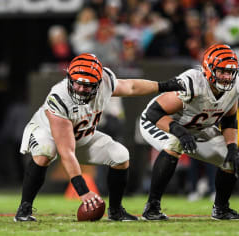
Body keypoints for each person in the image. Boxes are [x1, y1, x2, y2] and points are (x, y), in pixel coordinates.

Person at [14, 53, 185, 222]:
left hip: (82, 136)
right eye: (77, 84)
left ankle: (116, 211)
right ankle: (24, 208)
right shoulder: (59, 97)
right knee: (46, 151)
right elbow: (66, 151)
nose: (80, 89)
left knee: (120, 155)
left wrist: (164, 86)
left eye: (87, 86)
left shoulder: (106, 81)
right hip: (46, 133)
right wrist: (83, 191)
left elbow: (131, 86)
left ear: (98, 83)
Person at [140, 44, 239, 220]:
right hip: (159, 122)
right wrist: (180, 132)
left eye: (231, 72)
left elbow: (229, 119)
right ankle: (152, 208)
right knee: (173, 143)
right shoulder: (192, 82)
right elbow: (154, 112)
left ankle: (221, 209)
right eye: (222, 71)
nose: (227, 77)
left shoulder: (237, 86)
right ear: (208, 69)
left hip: (197, 128)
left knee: (229, 158)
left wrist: (232, 147)